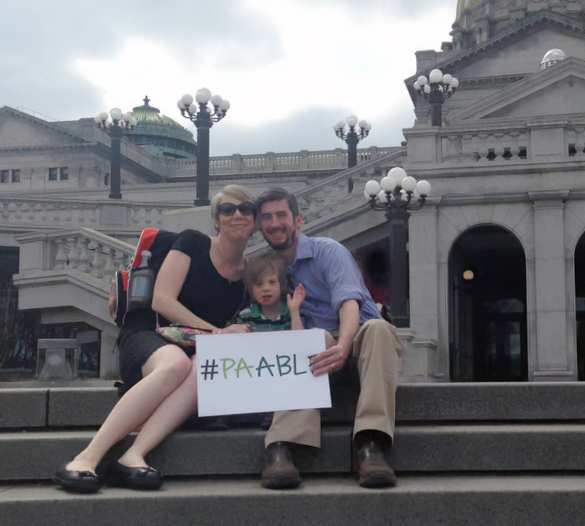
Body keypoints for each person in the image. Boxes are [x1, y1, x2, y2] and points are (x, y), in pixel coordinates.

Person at [54, 184, 256, 493]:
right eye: (228, 209)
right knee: (176, 364)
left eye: (246, 210)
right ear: (216, 220)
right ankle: (85, 458)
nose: (237, 215)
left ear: (255, 221)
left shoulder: (248, 274)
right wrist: (217, 332)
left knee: (205, 365)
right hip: (147, 334)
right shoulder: (192, 242)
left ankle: (134, 455)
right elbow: (162, 301)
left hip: (194, 347)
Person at [256, 188, 404, 490]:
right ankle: (282, 445)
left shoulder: (328, 251)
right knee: (314, 337)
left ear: (298, 219)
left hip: (359, 341)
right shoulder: (270, 271)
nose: (274, 223)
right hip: (318, 355)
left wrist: (344, 344)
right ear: (260, 227)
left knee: (378, 329)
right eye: (267, 218)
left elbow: (349, 303)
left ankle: (369, 444)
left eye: (281, 215)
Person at [234, 251, 306, 331]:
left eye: (272, 282)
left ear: (282, 285)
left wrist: (294, 310)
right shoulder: (245, 316)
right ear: (251, 288)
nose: (266, 288)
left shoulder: (292, 313)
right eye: (259, 284)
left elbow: (300, 339)